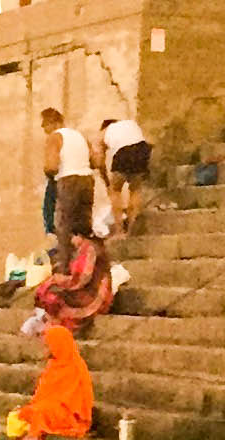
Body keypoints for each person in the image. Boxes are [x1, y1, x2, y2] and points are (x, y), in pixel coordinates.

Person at [11, 318, 95, 440]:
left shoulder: (75, 367)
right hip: (52, 406)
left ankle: (35, 436)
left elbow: (74, 400)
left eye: (50, 344)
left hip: (68, 412)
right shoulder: (53, 365)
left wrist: (46, 405)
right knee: (25, 412)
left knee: (42, 412)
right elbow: (42, 393)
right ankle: (34, 430)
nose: (47, 348)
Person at [31, 226, 113, 335]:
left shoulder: (91, 249)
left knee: (53, 295)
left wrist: (63, 282)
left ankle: (57, 329)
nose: (72, 241)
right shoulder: (83, 249)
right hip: (83, 287)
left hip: (93, 292)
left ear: (79, 236)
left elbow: (84, 278)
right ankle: (51, 327)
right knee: (48, 288)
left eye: (73, 237)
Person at [41, 106, 95, 243]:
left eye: (44, 124)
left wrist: (49, 174)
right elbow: (96, 161)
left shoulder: (55, 137)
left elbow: (52, 166)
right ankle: (87, 259)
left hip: (69, 182)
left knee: (64, 226)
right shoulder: (80, 136)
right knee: (84, 227)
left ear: (54, 123)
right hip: (87, 181)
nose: (43, 128)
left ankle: (65, 262)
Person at [100, 110, 153, 236]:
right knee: (135, 189)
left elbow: (99, 159)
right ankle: (132, 225)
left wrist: (106, 181)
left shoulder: (104, 131)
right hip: (143, 149)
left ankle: (119, 228)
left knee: (115, 190)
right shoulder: (129, 124)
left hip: (124, 152)